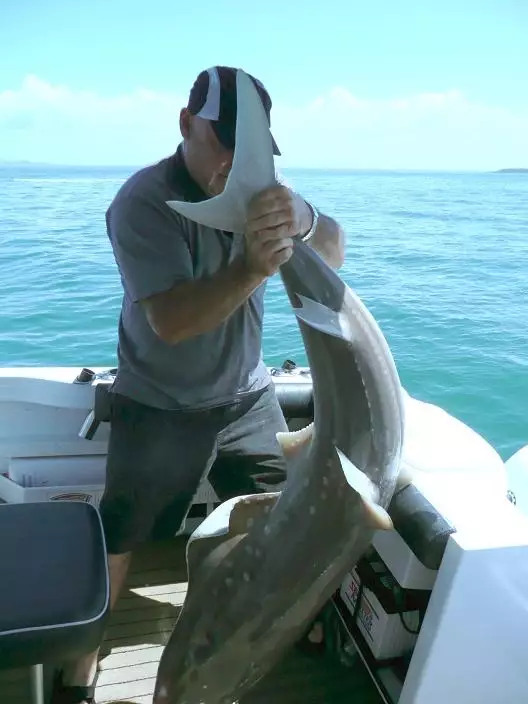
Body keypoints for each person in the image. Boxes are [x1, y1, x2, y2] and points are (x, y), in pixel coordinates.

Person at [52, 65, 345, 704]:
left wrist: (303, 212)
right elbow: (172, 320)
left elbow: (334, 251)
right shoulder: (142, 203)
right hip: (160, 401)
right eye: (225, 141)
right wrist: (251, 265)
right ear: (186, 125)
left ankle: (260, 631)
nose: (238, 163)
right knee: (123, 534)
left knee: (277, 517)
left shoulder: (262, 189)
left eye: (256, 148)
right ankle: (83, 661)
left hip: (248, 398)